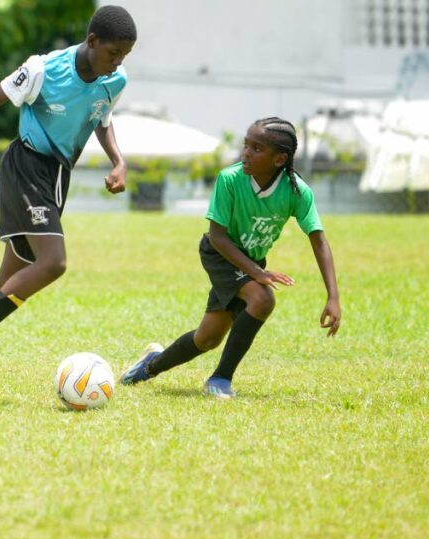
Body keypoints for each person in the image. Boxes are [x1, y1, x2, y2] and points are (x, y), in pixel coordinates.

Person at [0, 5, 137, 406]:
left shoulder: (114, 79)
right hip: (27, 166)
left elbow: (100, 118)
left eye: (124, 55)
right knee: (52, 263)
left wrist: (118, 160)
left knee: (11, 276)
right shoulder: (43, 69)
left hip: (55, 178)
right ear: (91, 42)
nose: (118, 62)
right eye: (112, 53)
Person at [121, 117, 341, 398]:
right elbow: (218, 236)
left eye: (257, 148)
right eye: (246, 145)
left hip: (248, 261)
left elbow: (319, 240)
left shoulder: (297, 191)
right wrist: (257, 274)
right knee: (262, 299)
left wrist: (332, 297)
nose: (246, 153)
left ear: (279, 159)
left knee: (208, 338)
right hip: (219, 253)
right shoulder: (230, 179)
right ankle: (220, 379)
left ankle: (150, 366)